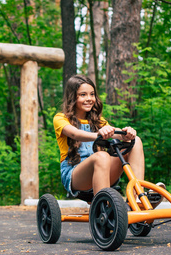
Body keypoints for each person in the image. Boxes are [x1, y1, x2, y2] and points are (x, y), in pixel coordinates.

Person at [53, 74, 163, 207]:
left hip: (103, 174)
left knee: (136, 141)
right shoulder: (60, 118)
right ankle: (104, 207)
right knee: (101, 156)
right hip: (75, 177)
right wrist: (98, 134)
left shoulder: (98, 121)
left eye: (92, 94)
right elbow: (74, 133)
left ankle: (137, 197)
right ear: (72, 97)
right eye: (83, 95)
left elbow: (114, 132)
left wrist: (126, 134)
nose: (89, 99)